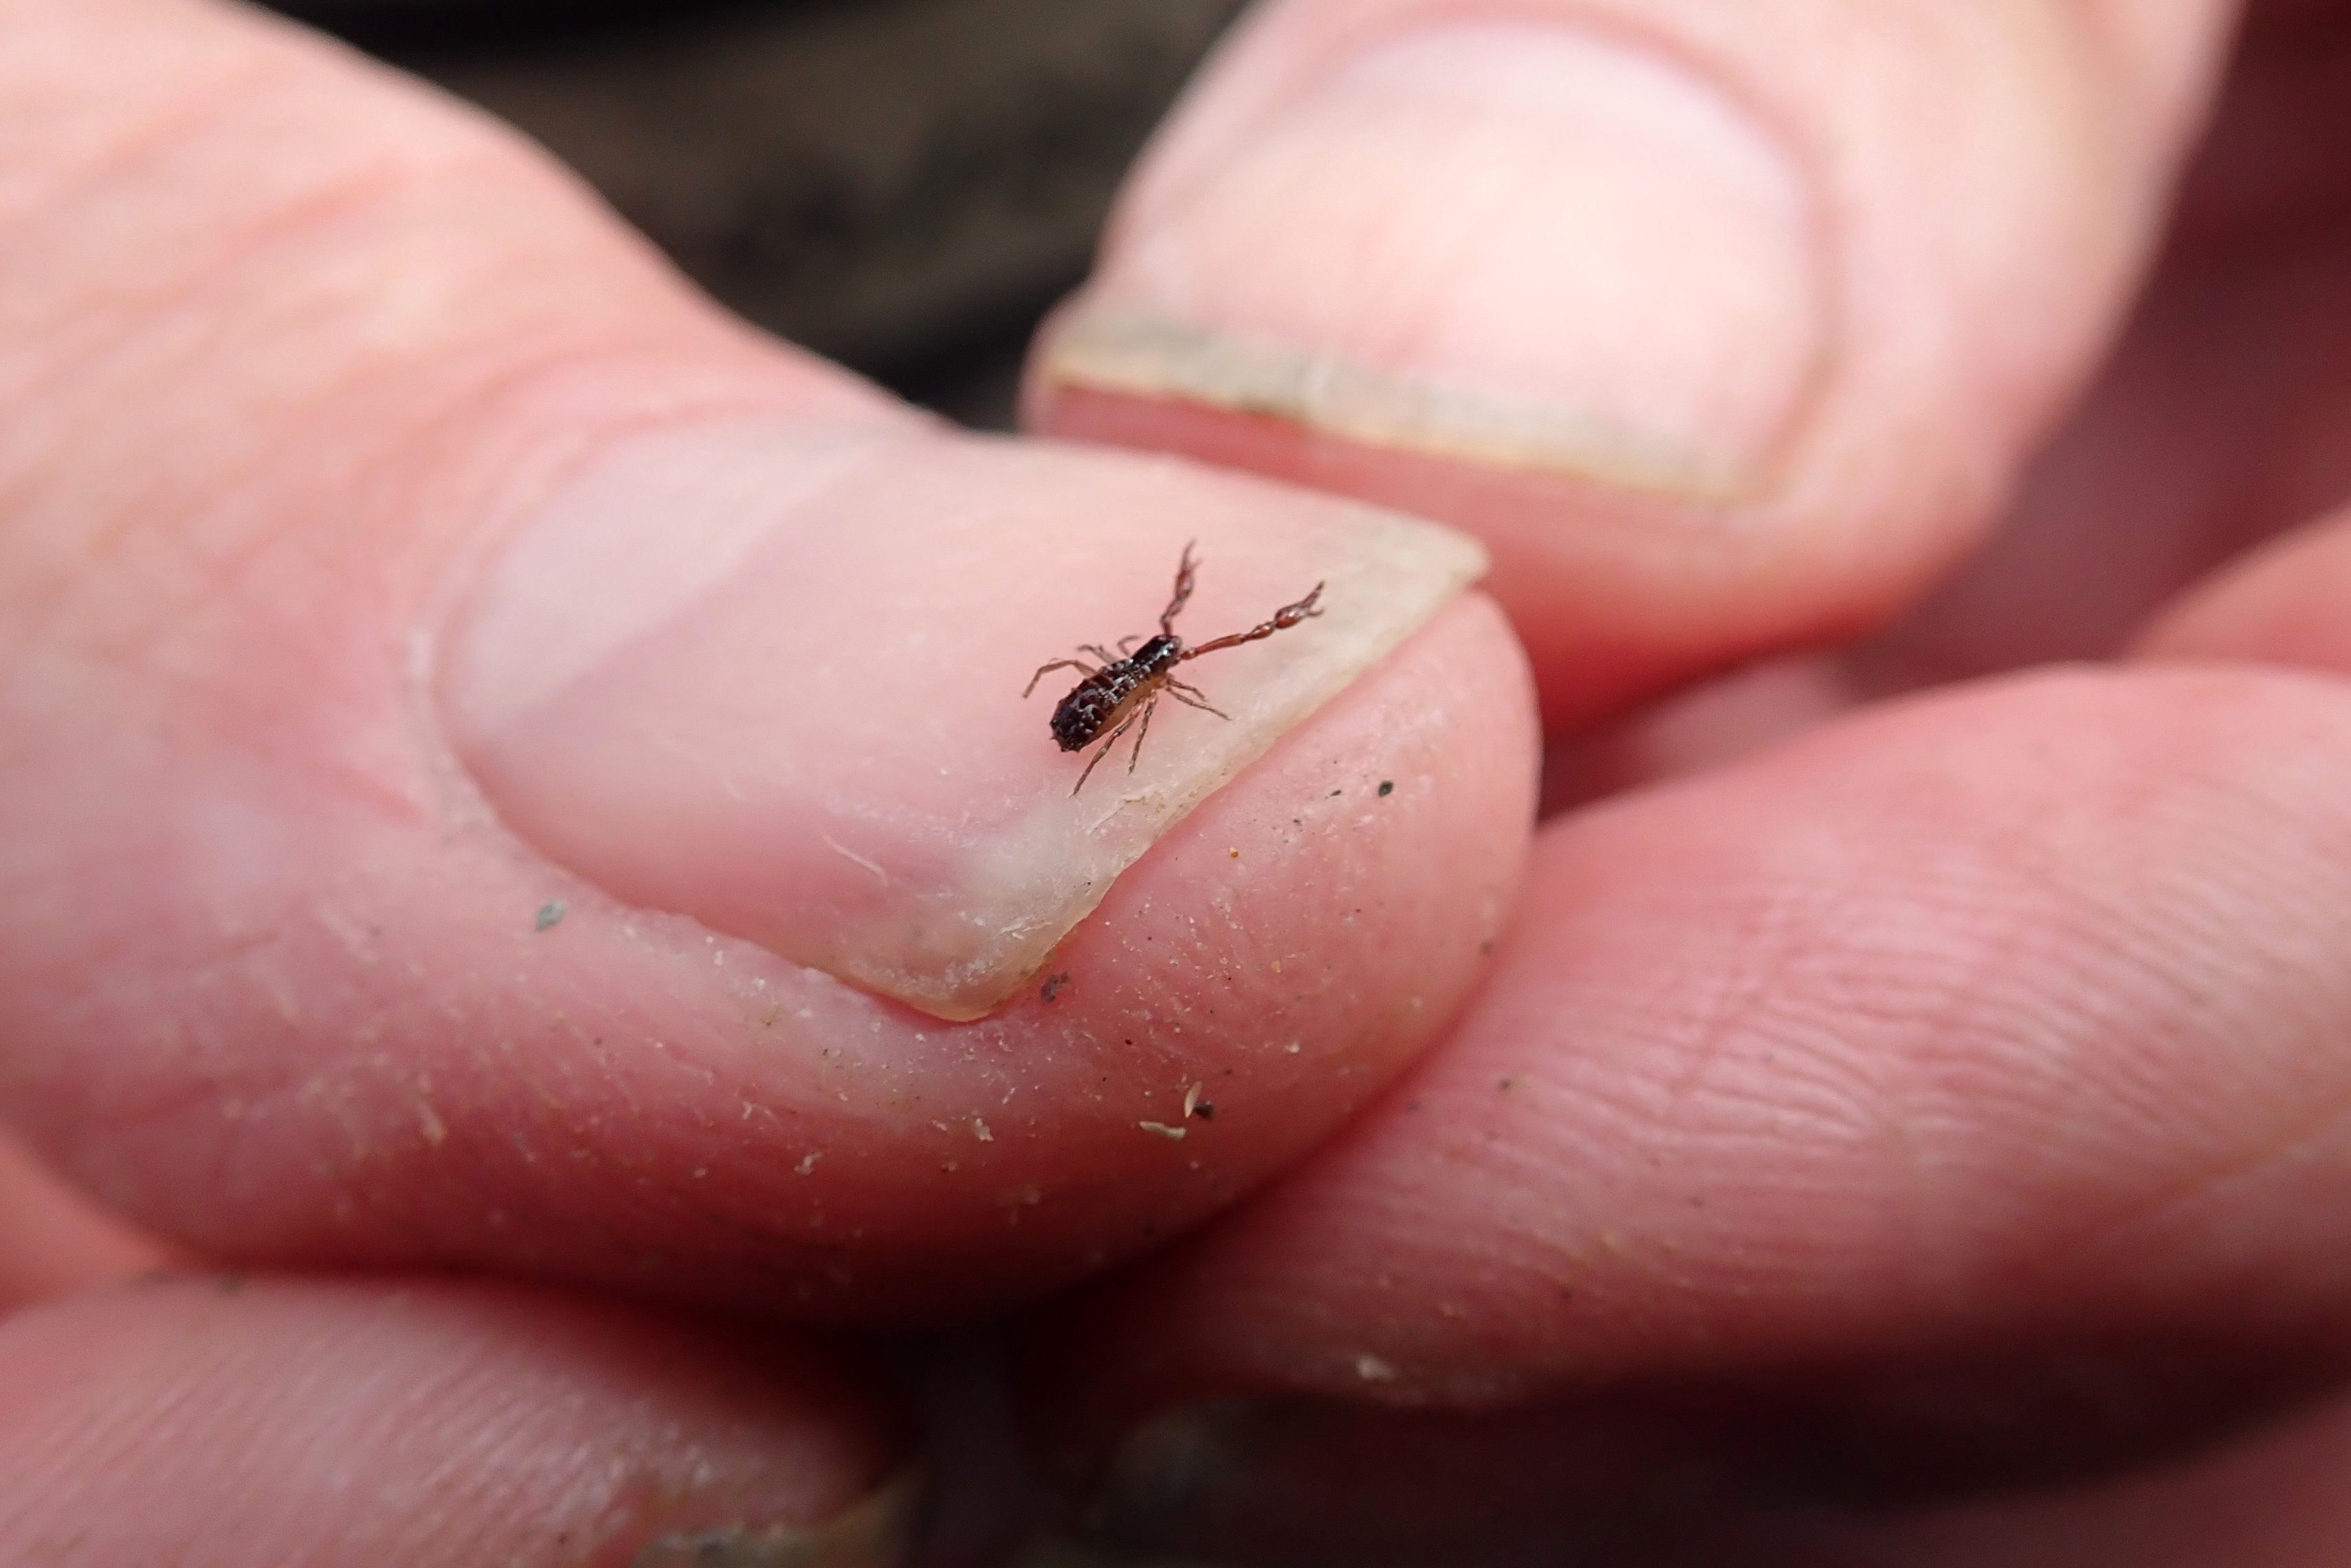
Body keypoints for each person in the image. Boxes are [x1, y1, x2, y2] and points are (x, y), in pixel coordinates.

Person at [6, 0, 2350, 1561]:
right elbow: (1097, 679)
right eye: (1138, 659)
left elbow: (1142, 671)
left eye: (1139, 666)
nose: (1135, 674)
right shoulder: (1110, 674)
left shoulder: (1151, 660)